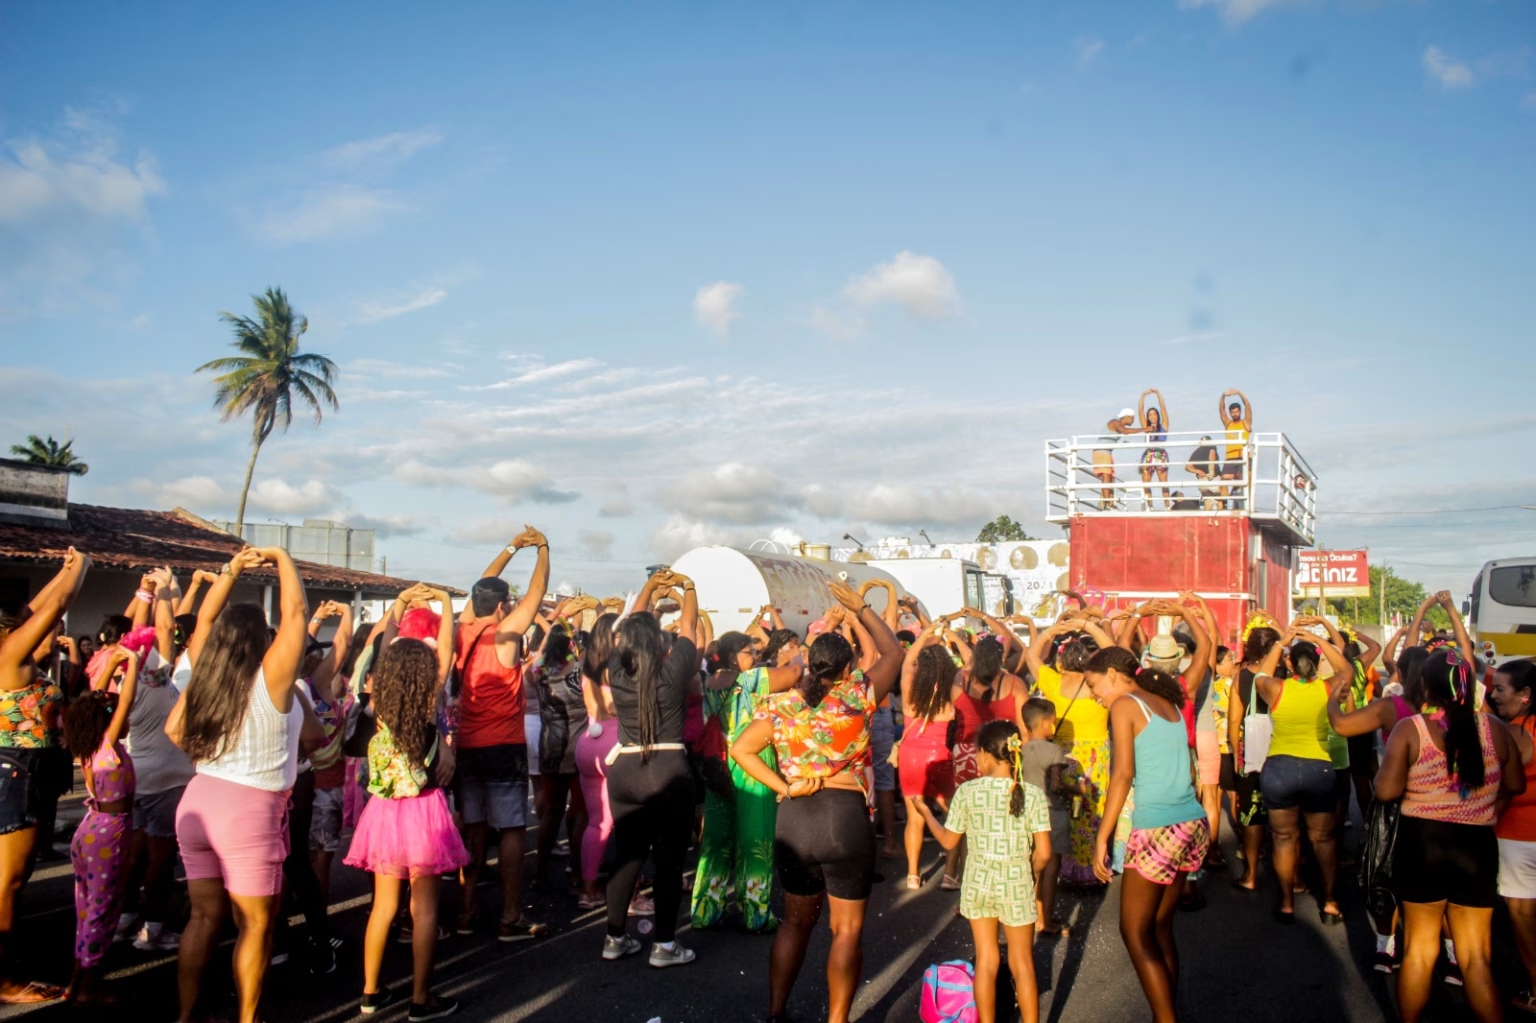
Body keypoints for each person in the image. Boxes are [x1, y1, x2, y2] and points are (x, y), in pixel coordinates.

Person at [730, 581, 903, 1023]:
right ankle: (838, 1019)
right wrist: (861, 609)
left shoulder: (781, 706)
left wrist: (784, 787)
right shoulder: (858, 696)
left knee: (795, 923)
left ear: (808, 663)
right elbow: (894, 654)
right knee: (846, 930)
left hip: (796, 817)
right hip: (843, 818)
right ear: (847, 669)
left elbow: (741, 750)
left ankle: (775, 1011)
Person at [167, 546, 322, 1023]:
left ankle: (187, 1015)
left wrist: (231, 571)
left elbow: (175, 731)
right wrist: (281, 556)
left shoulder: (208, 681)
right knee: (255, 925)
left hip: (200, 798)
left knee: (203, 918)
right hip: (249, 808)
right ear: (262, 642)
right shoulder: (272, 680)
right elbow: (296, 611)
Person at [1375, 649, 1524, 1023]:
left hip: (1422, 844)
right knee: (1475, 958)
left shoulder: (1412, 730)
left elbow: (1387, 791)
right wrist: (1485, 808)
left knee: (1419, 953)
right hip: (1476, 847)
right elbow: (1515, 784)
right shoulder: (1495, 729)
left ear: (1425, 686)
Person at [348, 585, 466, 1021]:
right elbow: (449, 647)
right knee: (425, 909)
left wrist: (398, 604)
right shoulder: (429, 697)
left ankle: (370, 991)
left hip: (383, 812)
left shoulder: (379, 699)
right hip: (423, 810)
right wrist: (446, 603)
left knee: (383, 907)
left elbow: (381, 647)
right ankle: (421, 997)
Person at [1086, 647, 1209, 1023]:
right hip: (1191, 822)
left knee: (1134, 931)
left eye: (1093, 685)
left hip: (1157, 826)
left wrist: (1102, 838)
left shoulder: (1125, 705)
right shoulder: (1165, 702)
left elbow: (1122, 775)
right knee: (1159, 925)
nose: (1094, 694)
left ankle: (1166, 1017)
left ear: (1111, 674)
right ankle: (1166, 1011)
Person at [912, 720, 1051, 1023]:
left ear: (987, 755)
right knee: (1022, 963)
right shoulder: (1033, 795)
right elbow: (1045, 853)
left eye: (977, 753)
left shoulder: (967, 792)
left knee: (987, 960)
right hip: (1016, 884)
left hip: (979, 885)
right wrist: (1031, 872)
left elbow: (950, 841)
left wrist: (926, 814)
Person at [600, 569, 703, 967]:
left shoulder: (616, 669)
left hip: (625, 769)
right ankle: (664, 945)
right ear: (661, 642)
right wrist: (688, 587)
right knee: (669, 861)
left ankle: (614, 939)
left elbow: (626, 626)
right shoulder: (674, 669)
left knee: (626, 856)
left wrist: (648, 589)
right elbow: (690, 625)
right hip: (667, 767)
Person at [452, 526, 550, 941]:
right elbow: (537, 592)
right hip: (503, 743)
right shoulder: (507, 636)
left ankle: (468, 910)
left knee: (473, 828)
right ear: (502, 606)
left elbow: (482, 585)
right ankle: (510, 915)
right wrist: (542, 548)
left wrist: (511, 548)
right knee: (510, 829)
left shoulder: (463, 629)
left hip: (467, 744)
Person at [0, 546, 87, 1005]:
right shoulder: (9, 652)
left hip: (23, 767)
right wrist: (82, 566)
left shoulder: (10, 649)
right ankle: (5, 977)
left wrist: (64, 568)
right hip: (15, 768)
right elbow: (53, 607)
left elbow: (41, 608)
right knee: (8, 881)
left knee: (11, 877)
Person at [691, 630, 801, 932]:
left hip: (718, 766)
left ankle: (705, 909)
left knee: (716, 839)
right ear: (731, 656)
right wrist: (797, 655)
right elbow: (794, 674)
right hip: (751, 763)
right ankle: (755, 913)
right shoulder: (751, 681)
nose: (755, 656)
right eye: (749, 652)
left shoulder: (708, 682)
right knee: (756, 838)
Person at [1251, 619, 1345, 925]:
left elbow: (1262, 672)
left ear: (1290, 663)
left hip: (1280, 769)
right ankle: (1330, 902)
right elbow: (1347, 671)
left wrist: (1282, 641)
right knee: (1324, 839)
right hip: (1320, 768)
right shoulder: (1330, 688)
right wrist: (1321, 639)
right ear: (1317, 662)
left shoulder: (1275, 687)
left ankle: (1287, 902)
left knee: (1283, 838)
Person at [63, 644, 138, 1003]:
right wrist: (133, 665)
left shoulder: (89, 744)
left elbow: (97, 701)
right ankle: (87, 986)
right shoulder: (108, 742)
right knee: (102, 909)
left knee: (87, 907)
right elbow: (124, 702)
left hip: (89, 829)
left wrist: (111, 668)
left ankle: (78, 981)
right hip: (108, 831)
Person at [1024, 620, 1110, 885]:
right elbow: (1113, 650)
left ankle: (1063, 866)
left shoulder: (1053, 681)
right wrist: (1089, 625)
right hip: (1095, 756)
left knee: (1062, 810)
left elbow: (1031, 656)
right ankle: (1091, 867)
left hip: (1061, 755)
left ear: (1061, 662)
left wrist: (1051, 631)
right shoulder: (1099, 682)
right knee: (1091, 811)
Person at [1489, 659, 1536, 1012]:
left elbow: (1503, 785)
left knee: (1522, 918)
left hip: (1519, 838)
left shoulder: (1517, 734)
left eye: (1500, 689)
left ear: (1525, 695)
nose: (1492, 696)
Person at [528, 622, 589, 890]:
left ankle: (540, 871)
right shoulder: (578, 671)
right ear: (570, 645)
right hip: (577, 747)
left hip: (549, 746)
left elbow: (534, 661)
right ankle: (577, 871)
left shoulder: (538, 670)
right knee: (579, 812)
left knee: (551, 812)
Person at [898, 626, 959, 890]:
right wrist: (951, 639)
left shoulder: (910, 694)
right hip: (940, 757)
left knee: (914, 818)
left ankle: (913, 875)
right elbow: (970, 666)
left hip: (910, 756)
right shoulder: (952, 694)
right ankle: (949, 875)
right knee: (955, 817)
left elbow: (908, 661)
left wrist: (925, 636)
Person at [1019, 697, 1083, 936]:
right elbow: (1056, 785)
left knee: (1033, 864)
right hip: (1051, 813)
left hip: (1027, 812)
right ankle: (1045, 920)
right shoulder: (1054, 750)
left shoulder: (1021, 750)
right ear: (1046, 723)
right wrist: (1078, 789)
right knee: (1051, 867)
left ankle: (1032, 914)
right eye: (1053, 722)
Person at [1225, 624, 1279, 891]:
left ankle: (1251, 874)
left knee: (1252, 813)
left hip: (1250, 752)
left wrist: (1236, 753)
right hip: (1282, 750)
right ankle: (1292, 879)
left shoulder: (1241, 677)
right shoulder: (1284, 676)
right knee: (1286, 818)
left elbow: (1234, 720)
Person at [574, 613, 619, 911]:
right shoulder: (618, 668)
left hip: (588, 742)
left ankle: (588, 889)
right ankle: (628, 885)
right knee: (627, 821)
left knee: (597, 823)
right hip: (614, 744)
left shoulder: (587, 668)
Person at [1090, 407, 1142, 511]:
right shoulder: (1115, 422)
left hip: (1106, 452)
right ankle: (1107, 504)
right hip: (1102, 452)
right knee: (1106, 477)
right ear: (1126, 417)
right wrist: (1144, 429)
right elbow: (1125, 431)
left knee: (1110, 477)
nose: (1133, 421)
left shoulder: (1118, 425)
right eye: (1132, 418)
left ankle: (1109, 503)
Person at [1218, 389, 1252, 509]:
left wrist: (1239, 393)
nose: (1235, 414)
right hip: (1231, 457)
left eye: (1237, 412)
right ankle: (1223, 506)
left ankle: (1247, 506)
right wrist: (1223, 396)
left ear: (1240, 412)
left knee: (1246, 482)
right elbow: (1221, 410)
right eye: (1232, 412)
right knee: (1223, 482)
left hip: (1243, 456)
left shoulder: (1245, 423)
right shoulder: (1228, 424)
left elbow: (1248, 406)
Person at [1138, 389, 1172, 510]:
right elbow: (1140, 411)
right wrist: (1143, 395)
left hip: (1160, 454)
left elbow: (1163, 408)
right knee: (1146, 481)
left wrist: (1158, 393)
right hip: (1148, 454)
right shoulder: (1146, 427)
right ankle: (1150, 507)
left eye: (1154, 414)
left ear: (1157, 415)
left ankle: (1167, 506)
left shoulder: (1164, 425)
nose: (1152, 416)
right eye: (1150, 415)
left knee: (1163, 481)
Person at [1183, 436, 1224, 511]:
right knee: (1218, 500)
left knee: (1208, 501)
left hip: (1203, 479)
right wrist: (1211, 471)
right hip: (1213, 478)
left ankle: (1208, 520)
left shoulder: (1197, 451)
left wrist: (1198, 471)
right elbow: (1212, 455)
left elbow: (1187, 466)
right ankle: (1218, 520)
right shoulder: (1212, 447)